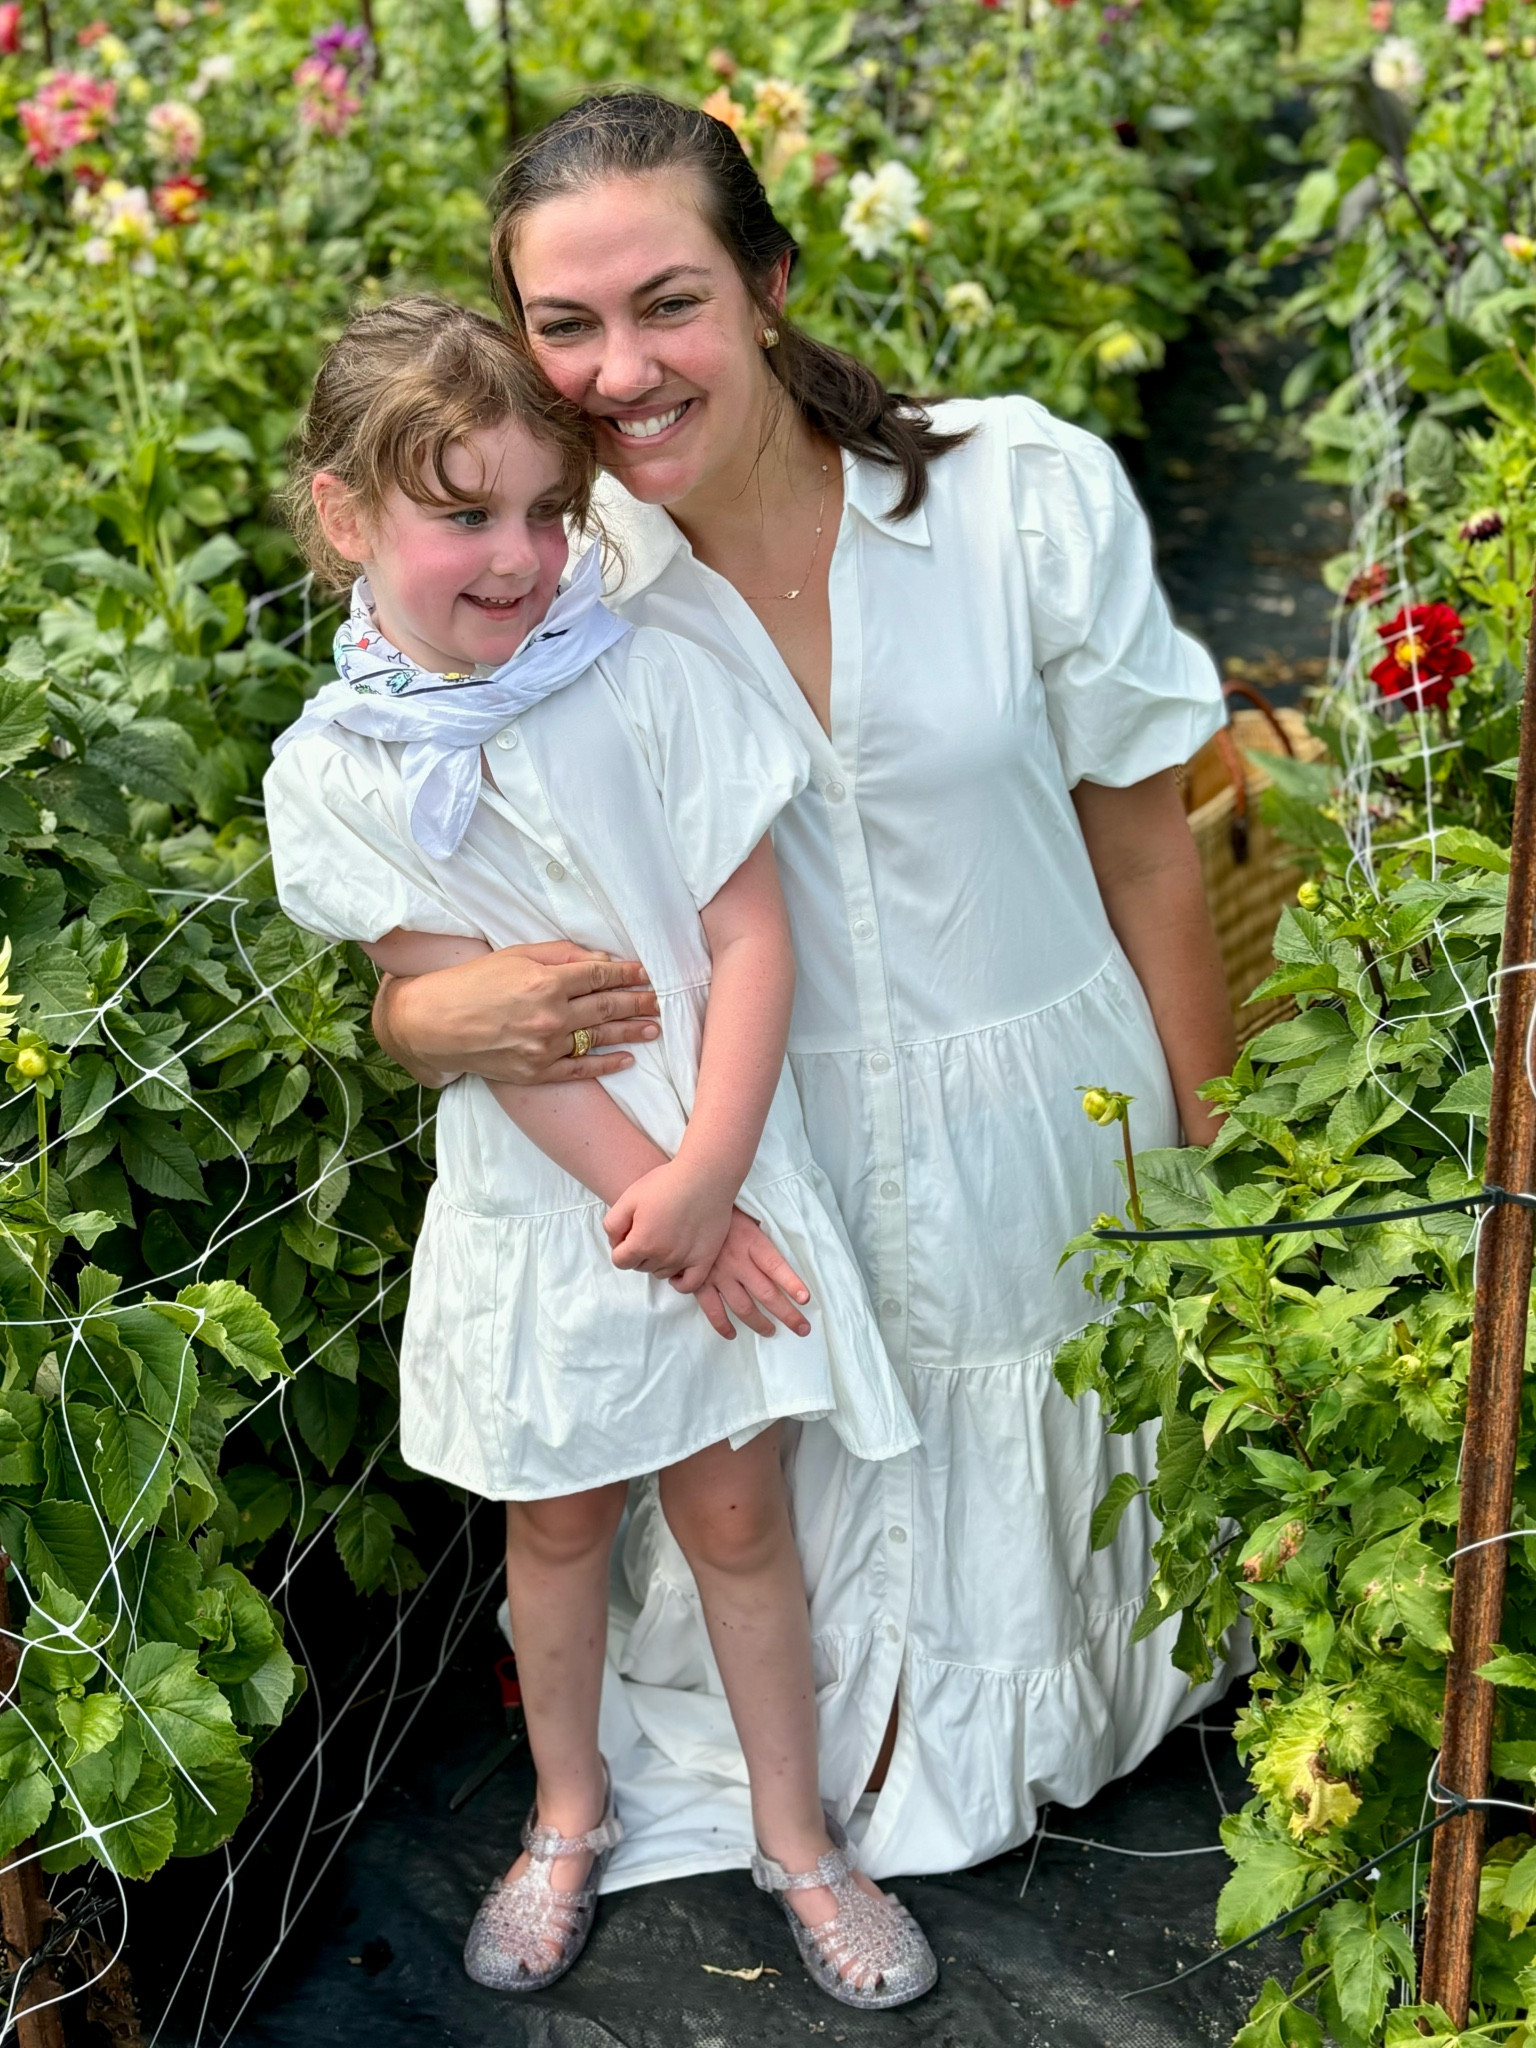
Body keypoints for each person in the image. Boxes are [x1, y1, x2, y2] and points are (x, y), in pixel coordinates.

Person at [372, 93, 1243, 1889]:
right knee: (775, 1525)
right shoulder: (539, 578)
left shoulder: (1013, 494)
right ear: (517, 342)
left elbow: (1152, 847)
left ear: (770, 284)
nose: (624, 369)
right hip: (759, 1166)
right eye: (567, 326)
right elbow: (415, 907)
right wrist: (415, 1023)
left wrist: (1222, 1149)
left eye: (671, 302)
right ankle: (785, 1802)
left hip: (1050, 1138)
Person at [261, 295, 938, 2010]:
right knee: (555, 1530)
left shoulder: (642, 679)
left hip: (716, 1163)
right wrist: (668, 1209)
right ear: (345, 513)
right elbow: (484, 1028)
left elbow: (754, 933)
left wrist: (712, 1176)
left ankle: (799, 1835)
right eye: (464, 513)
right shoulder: (338, 772)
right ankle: (571, 1813)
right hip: (547, 1208)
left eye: (548, 513)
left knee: (736, 1517)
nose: (521, 556)